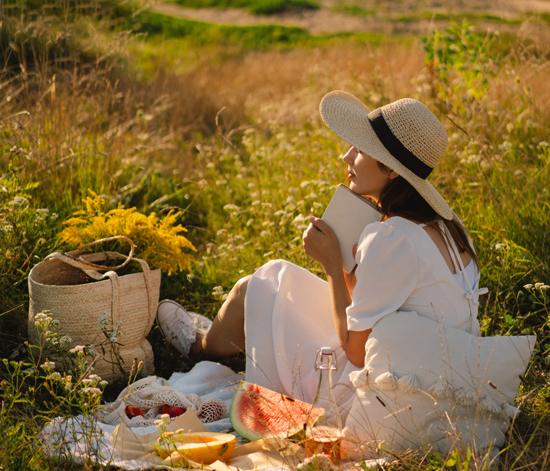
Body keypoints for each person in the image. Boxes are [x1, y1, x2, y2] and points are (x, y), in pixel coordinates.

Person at [157, 90, 486, 419]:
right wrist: (349, 265)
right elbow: (387, 305)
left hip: (371, 392)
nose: (347, 157)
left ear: (392, 171)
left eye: (360, 149)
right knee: (274, 279)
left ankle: (199, 349)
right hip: (433, 379)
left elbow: (357, 353)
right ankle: (220, 343)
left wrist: (331, 264)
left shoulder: (392, 238)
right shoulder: (448, 225)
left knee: (262, 283)